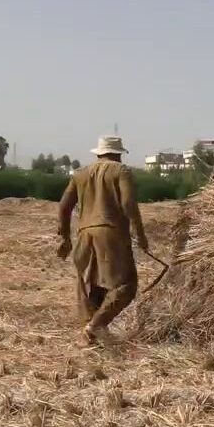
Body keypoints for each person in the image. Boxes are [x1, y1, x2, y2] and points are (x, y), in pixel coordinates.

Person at [57, 135, 149, 347]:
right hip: (110, 234)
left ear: (98, 153)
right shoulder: (121, 171)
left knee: (93, 286)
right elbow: (128, 203)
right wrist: (140, 234)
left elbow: (63, 206)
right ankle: (94, 326)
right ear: (118, 154)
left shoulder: (80, 174)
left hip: (83, 235)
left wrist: (64, 237)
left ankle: (90, 337)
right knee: (126, 285)